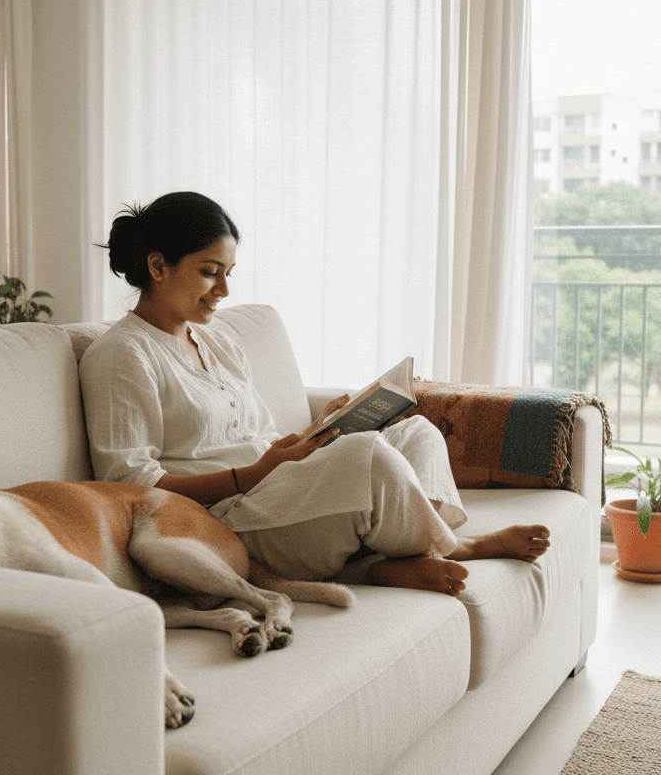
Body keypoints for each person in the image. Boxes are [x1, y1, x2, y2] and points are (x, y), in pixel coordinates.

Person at [78, 191, 550, 596]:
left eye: (229, 272)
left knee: (418, 433)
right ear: (158, 266)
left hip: (272, 489)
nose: (224, 288)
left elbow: (261, 437)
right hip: (223, 520)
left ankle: (375, 565)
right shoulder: (122, 355)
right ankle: (455, 544)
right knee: (366, 455)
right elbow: (130, 485)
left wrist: (320, 428)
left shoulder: (217, 340)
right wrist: (249, 476)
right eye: (209, 271)